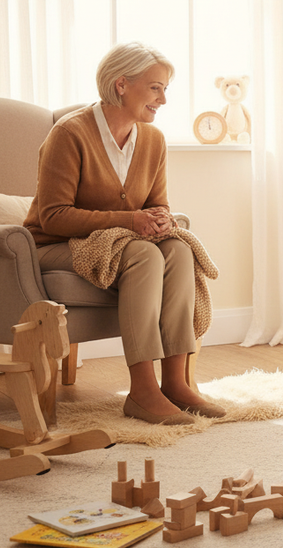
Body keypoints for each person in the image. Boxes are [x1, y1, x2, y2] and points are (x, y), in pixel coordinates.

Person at [25, 42, 225, 425]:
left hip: (114, 243)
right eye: (155, 87)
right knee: (144, 254)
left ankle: (176, 382)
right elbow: (53, 217)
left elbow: (157, 202)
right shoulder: (69, 134)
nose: (163, 99)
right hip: (52, 246)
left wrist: (162, 220)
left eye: (165, 89)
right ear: (121, 85)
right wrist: (130, 221)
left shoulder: (153, 139)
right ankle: (142, 390)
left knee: (178, 250)